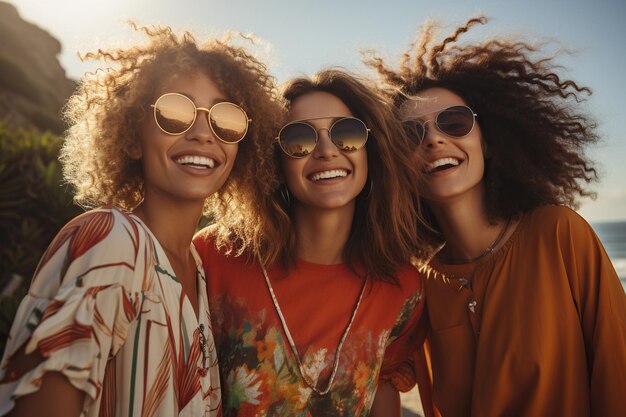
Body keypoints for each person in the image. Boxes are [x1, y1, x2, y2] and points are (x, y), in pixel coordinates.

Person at [0, 24, 282, 417]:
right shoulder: (114, 241)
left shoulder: (198, 268)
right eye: (174, 112)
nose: (203, 132)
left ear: (241, 149)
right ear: (133, 137)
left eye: (226, 120)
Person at [368, 16, 626, 416]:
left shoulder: (559, 234)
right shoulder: (423, 287)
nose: (435, 139)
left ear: (487, 142)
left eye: (454, 123)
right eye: (410, 135)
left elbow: (618, 377)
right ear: (396, 166)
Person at [193, 69, 429, 416]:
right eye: (299, 139)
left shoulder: (401, 286)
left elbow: (382, 387)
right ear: (274, 160)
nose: (326, 150)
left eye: (346, 133)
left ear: (371, 150)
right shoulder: (215, 256)